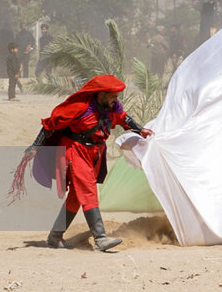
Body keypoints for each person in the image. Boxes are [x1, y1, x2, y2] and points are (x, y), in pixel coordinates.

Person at [14, 75, 154, 251]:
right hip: (74, 150)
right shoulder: (79, 107)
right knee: (88, 191)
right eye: (113, 96)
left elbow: (124, 118)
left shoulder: (112, 107)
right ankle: (100, 238)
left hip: (94, 153)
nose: (116, 100)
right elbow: (50, 124)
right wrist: (35, 145)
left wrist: (141, 130)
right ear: (101, 94)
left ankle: (55, 237)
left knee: (76, 197)